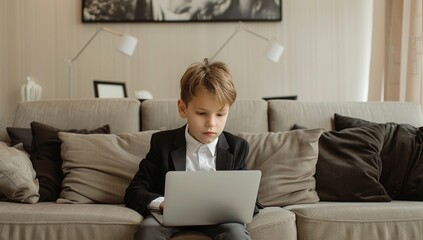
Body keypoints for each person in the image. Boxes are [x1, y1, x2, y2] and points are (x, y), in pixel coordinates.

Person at [124, 58, 255, 240]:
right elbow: (134, 191)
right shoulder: (162, 143)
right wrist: (163, 204)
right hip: (169, 217)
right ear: (182, 108)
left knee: (236, 234)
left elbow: (251, 201)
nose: (211, 123)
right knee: (148, 231)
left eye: (220, 114)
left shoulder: (237, 147)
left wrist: (235, 206)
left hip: (220, 220)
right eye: (201, 113)